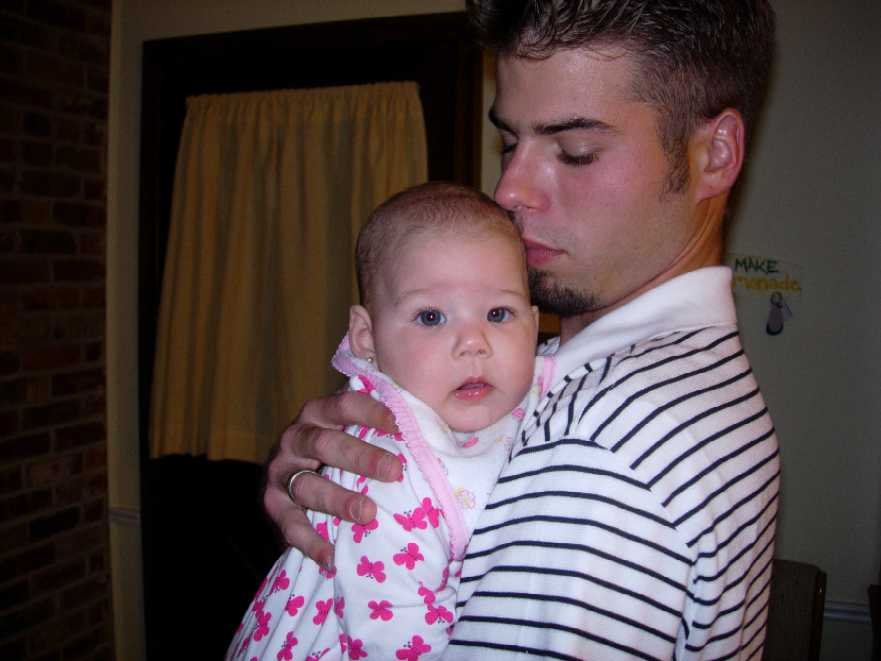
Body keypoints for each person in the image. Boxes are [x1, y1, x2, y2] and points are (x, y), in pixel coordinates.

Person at [265, 1, 781, 658]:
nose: (508, 189)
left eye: (575, 152)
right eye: (510, 142)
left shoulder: (602, 445)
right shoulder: (664, 376)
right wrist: (329, 496)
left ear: (715, 153)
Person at [229, 182, 548, 660]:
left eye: (499, 313)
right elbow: (390, 639)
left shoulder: (549, 392)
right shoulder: (390, 469)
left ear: (535, 324)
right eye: (431, 317)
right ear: (367, 336)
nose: (473, 343)